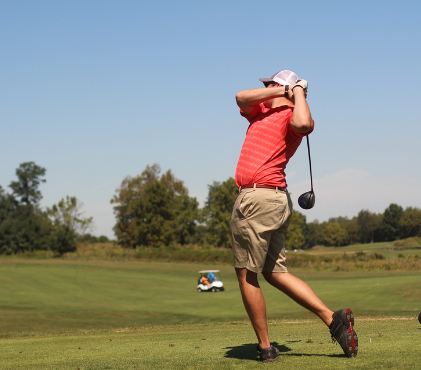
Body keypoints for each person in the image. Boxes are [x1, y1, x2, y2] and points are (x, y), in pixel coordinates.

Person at [230, 70, 358, 362]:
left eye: (271, 85)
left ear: (284, 89)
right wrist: (282, 91)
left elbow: (303, 123)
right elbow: (241, 97)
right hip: (270, 200)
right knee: (275, 272)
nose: (265, 90)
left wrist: (296, 93)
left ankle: (265, 348)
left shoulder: (292, 115)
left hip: (257, 198)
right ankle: (333, 319)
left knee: (246, 272)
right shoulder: (260, 112)